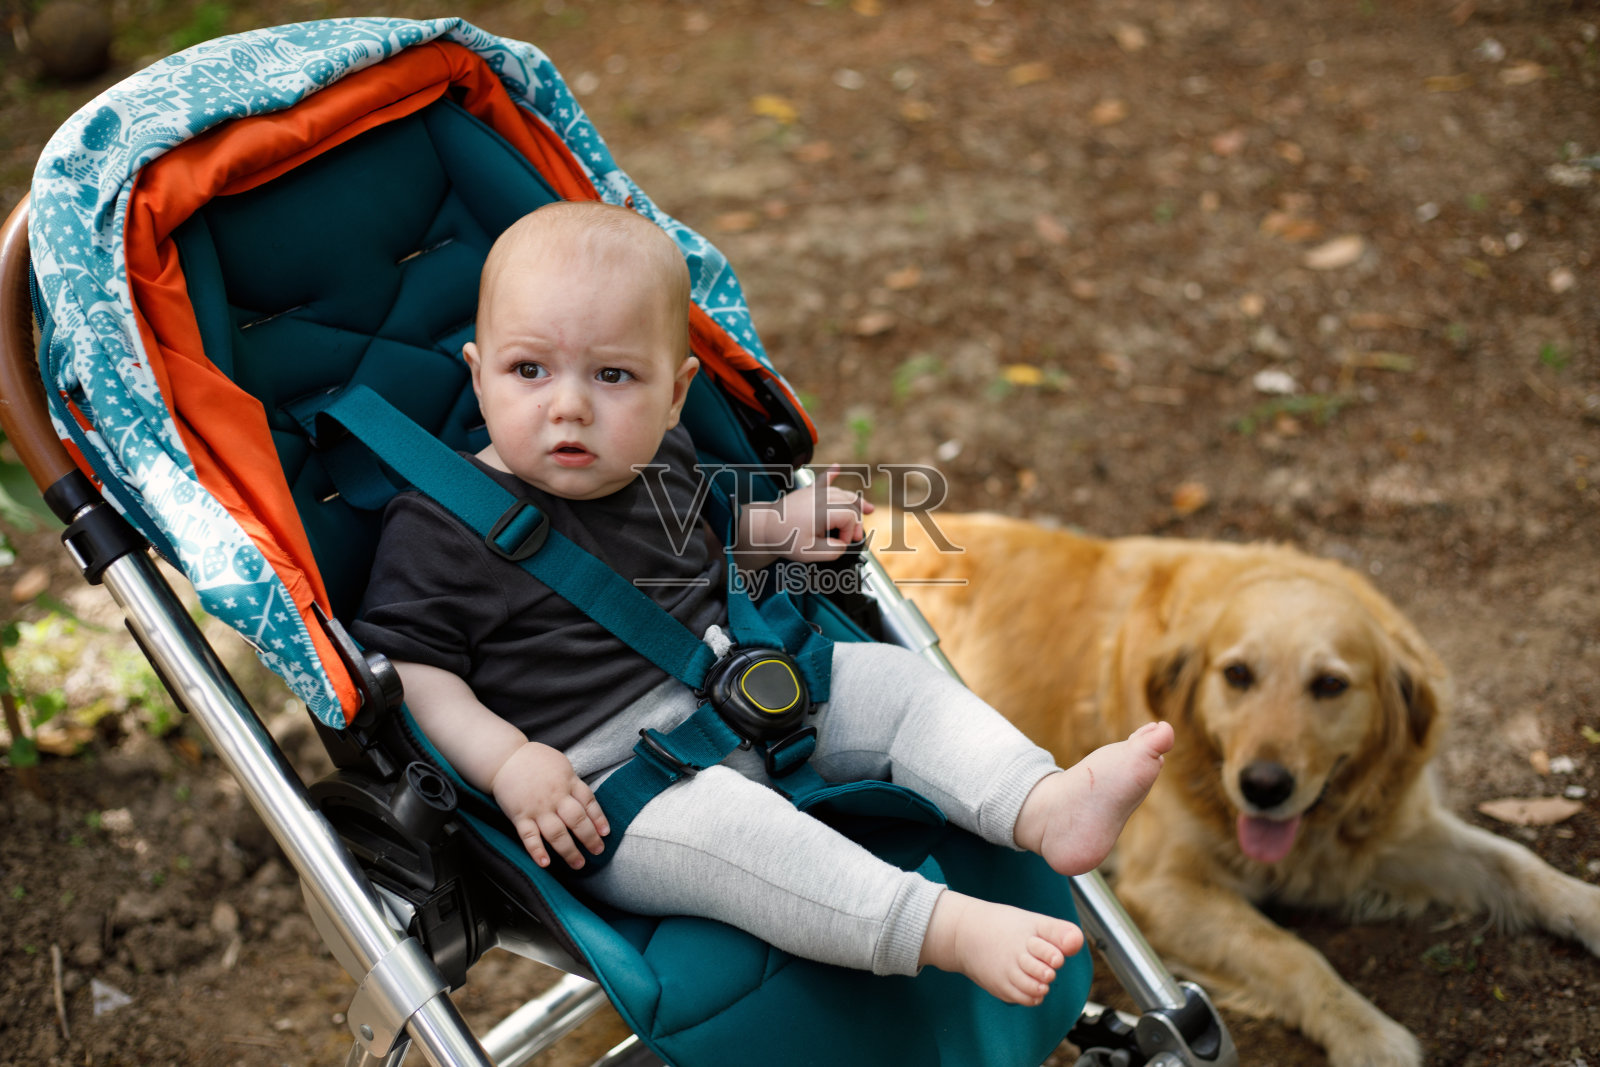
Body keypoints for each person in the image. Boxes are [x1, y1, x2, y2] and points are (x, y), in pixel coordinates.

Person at [353, 201, 1174, 1006]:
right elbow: (414, 673)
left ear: (675, 395)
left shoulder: (660, 458)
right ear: (479, 374)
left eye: (613, 375)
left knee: (893, 683)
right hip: (617, 788)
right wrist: (507, 761)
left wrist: (779, 529)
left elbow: (702, 554)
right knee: (747, 836)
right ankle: (941, 927)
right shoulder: (439, 528)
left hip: (751, 690)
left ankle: (1042, 802)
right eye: (529, 371)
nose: (568, 405)